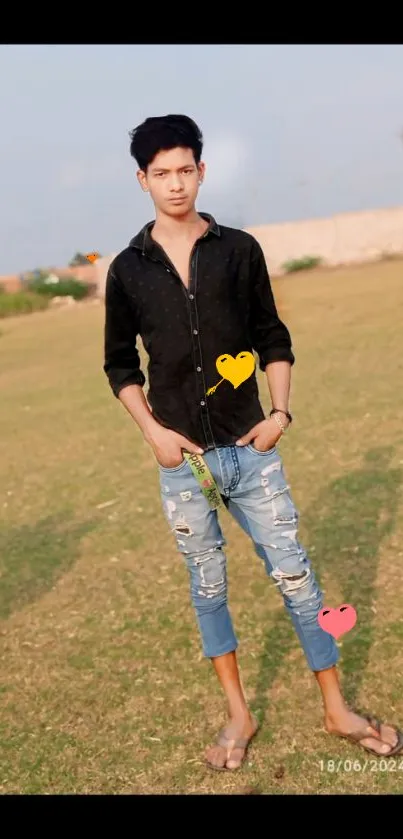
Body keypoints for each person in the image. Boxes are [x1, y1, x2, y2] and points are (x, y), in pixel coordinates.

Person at [103, 114, 403, 770]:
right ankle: (238, 714)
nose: (175, 183)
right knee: (207, 589)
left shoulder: (238, 251)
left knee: (297, 579)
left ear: (201, 171)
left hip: (251, 450)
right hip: (183, 464)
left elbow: (272, 335)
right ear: (142, 180)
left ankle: (335, 707)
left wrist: (280, 414)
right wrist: (152, 431)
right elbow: (120, 364)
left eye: (186, 169)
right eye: (161, 173)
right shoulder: (128, 269)